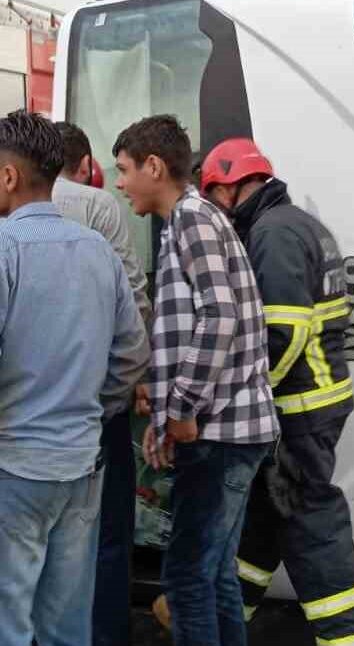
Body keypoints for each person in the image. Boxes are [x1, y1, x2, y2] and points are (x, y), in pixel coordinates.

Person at [198, 138, 354, 646]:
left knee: (309, 525)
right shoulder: (298, 222)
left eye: (214, 197)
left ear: (231, 186)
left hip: (299, 407)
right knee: (265, 509)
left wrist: (244, 394)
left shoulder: (272, 232)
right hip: (315, 400)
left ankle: (352, 639)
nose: (215, 211)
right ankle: (226, 615)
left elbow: (284, 331)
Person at [112, 115, 279, 646]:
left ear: (154, 167)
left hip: (219, 436)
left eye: (124, 170)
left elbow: (219, 315)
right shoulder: (195, 220)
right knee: (214, 577)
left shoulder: (191, 220)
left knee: (186, 578)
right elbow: (193, 327)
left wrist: (181, 410)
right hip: (226, 432)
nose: (118, 184)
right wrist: (164, 419)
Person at [0, 111, 150, 646]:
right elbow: (134, 354)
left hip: (15, 466)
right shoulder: (98, 252)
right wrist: (92, 405)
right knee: (66, 623)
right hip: (82, 464)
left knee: (9, 621)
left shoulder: (5, 250)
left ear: (10, 176)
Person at [52, 120, 152, 646]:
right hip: (95, 409)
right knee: (107, 535)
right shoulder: (98, 208)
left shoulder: (12, 210)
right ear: (86, 164)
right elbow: (134, 307)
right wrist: (112, 398)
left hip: (28, 419)